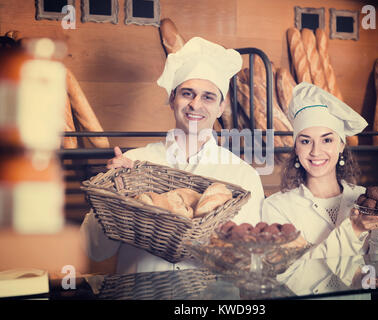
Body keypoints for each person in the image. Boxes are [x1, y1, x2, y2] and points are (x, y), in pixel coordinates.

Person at [80, 37, 265, 273]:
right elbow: (94, 250)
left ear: (220, 107)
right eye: (187, 93)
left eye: (208, 96)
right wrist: (110, 194)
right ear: (171, 99)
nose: (196, 104)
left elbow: (252, 263)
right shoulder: (133, 163)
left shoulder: (242, 176)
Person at [262, 82, 378, 259]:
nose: (315, 151)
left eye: (327, 140)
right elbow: (293, 277)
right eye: (305, 141)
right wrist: (355, 228)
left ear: (341, 145)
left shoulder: (368, 202)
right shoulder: (277, 207)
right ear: (296, 148)